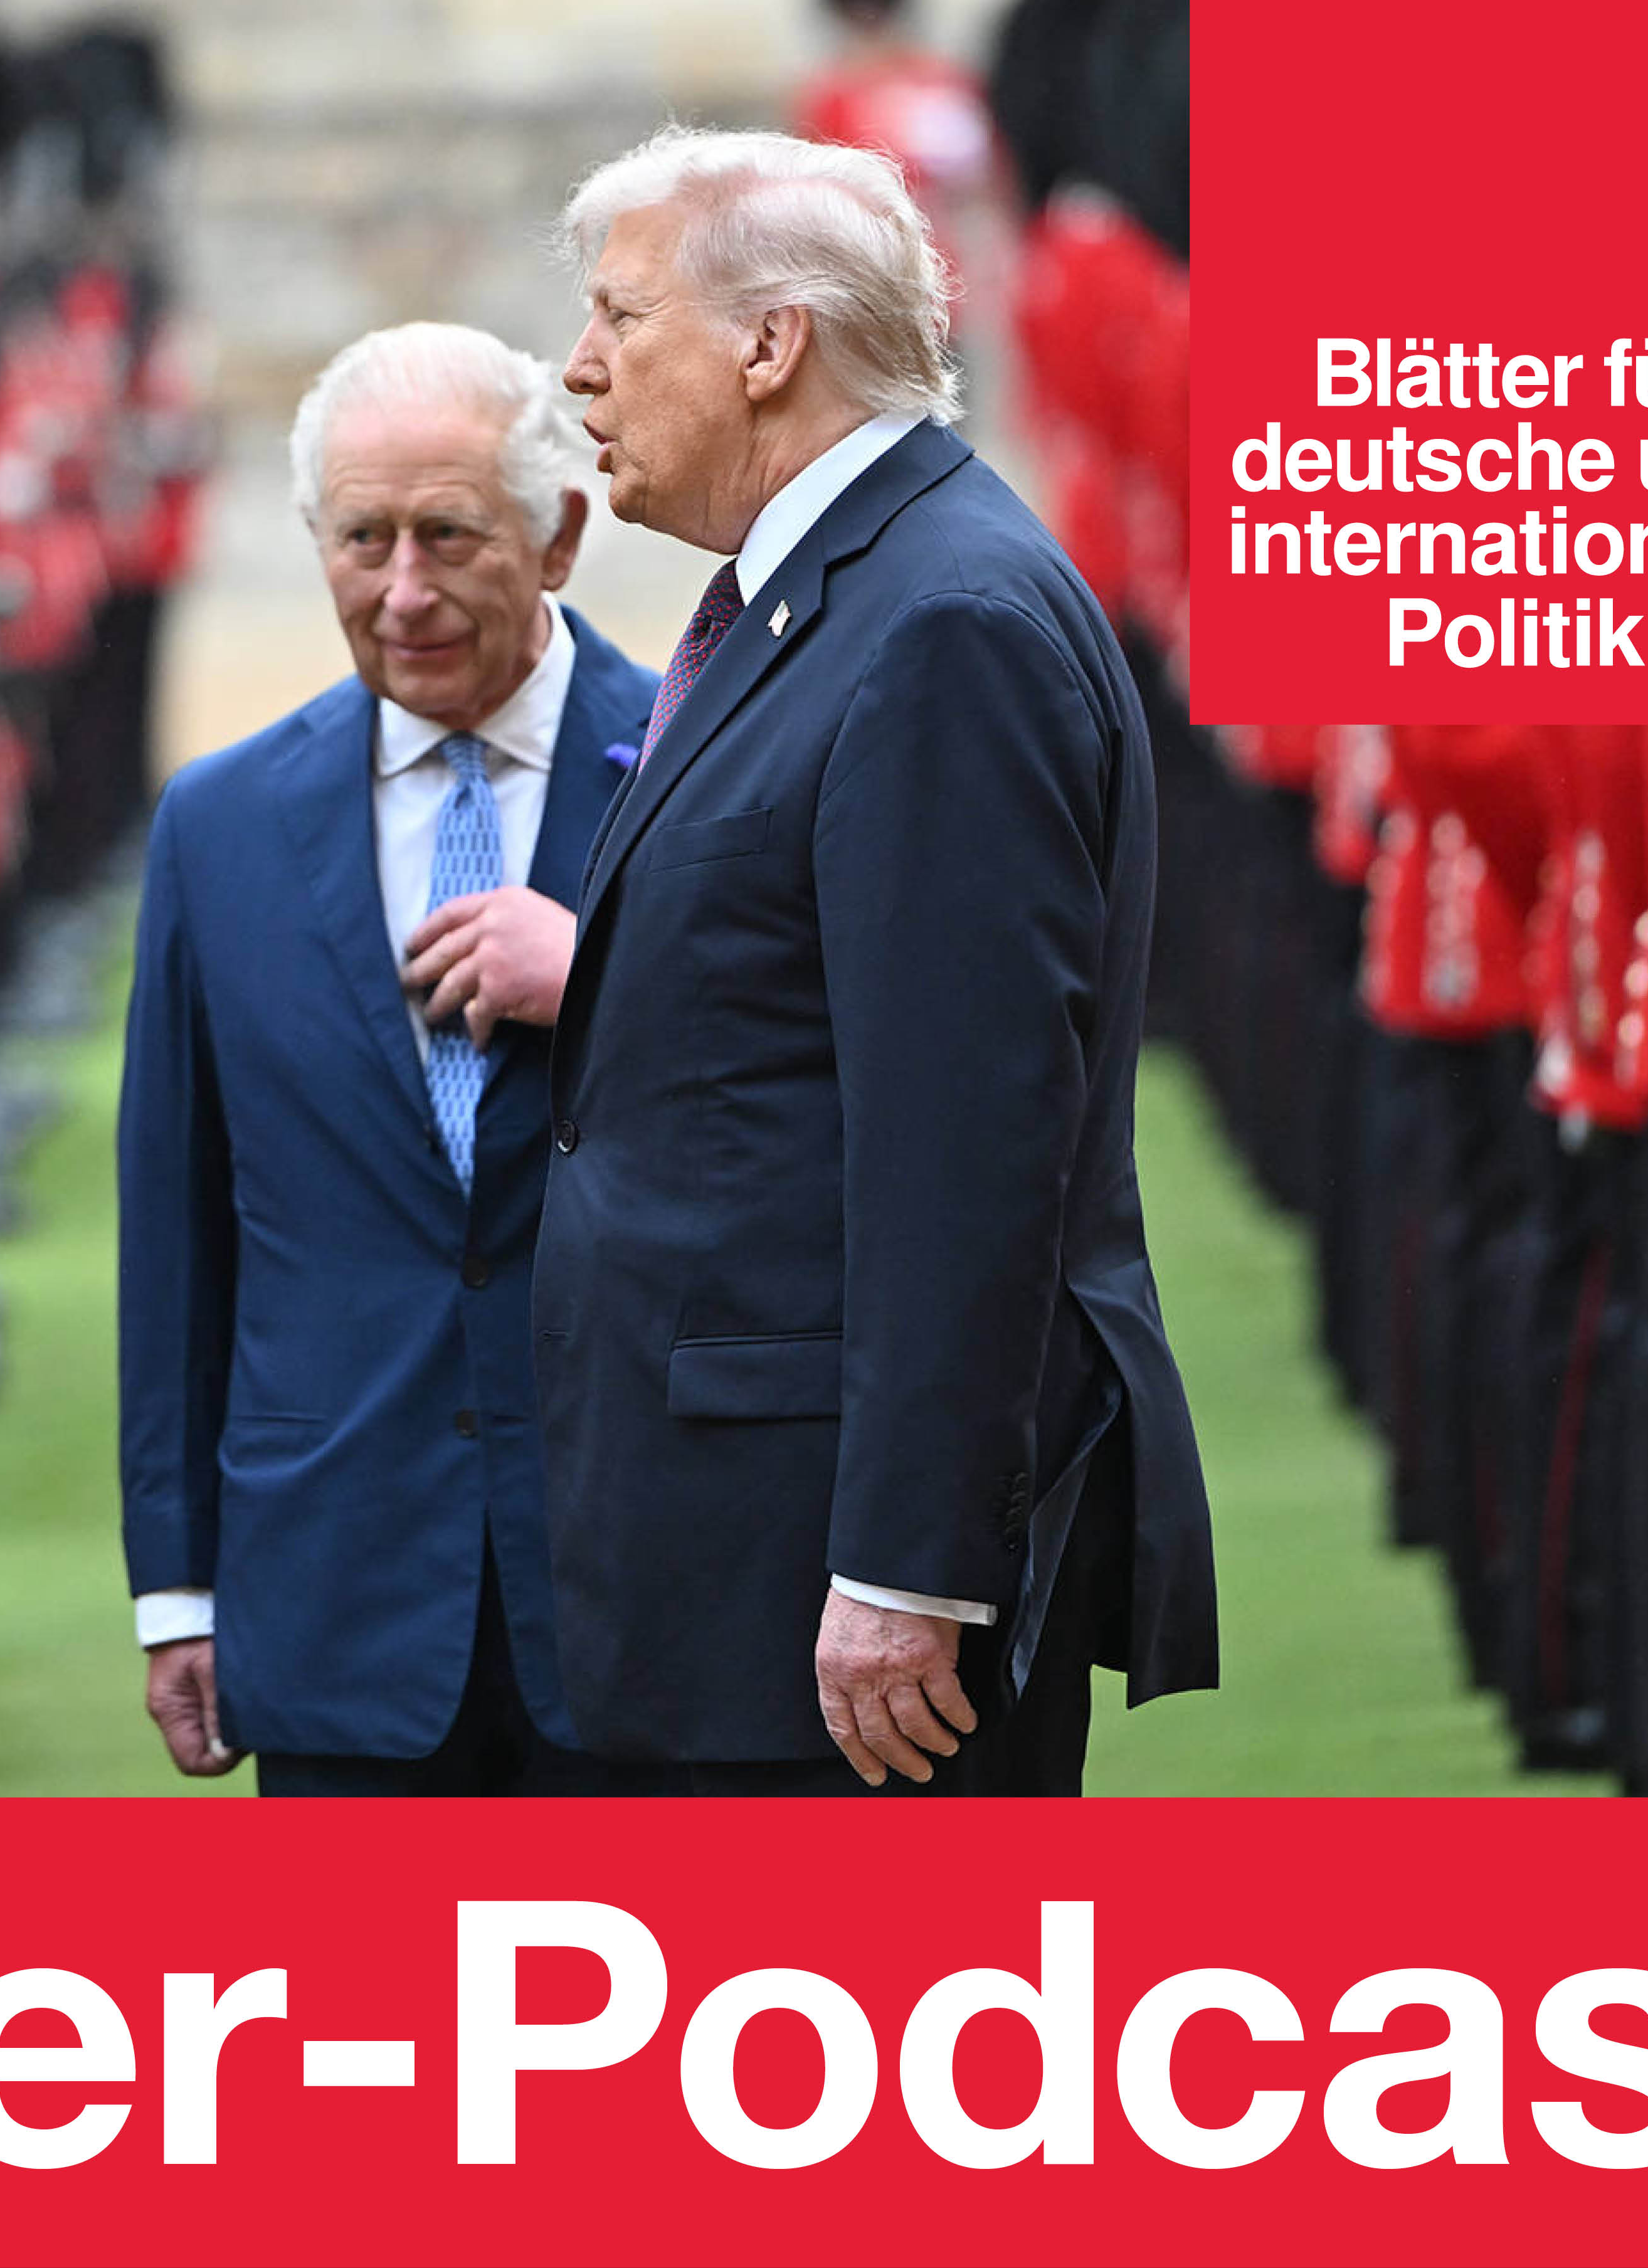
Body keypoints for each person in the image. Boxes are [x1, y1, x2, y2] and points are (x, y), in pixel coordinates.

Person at [537, 127, 1213, 1793]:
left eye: (621, 318)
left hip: (832, 1569)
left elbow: (967, 1142)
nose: (578, 368)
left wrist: (908, 1564)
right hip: (735, 1527)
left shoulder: (939, 625)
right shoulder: (847, 594)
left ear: (771, 346)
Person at [119, 324, 657, 1794]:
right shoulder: (219, 827)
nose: (402, 592)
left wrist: (606, 980)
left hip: (644, 1589)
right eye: (362, 540)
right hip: (334, 1588)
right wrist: (177, 1584)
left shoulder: (708, 774)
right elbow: (177, 1227)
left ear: (555, 538)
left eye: (446, 536)